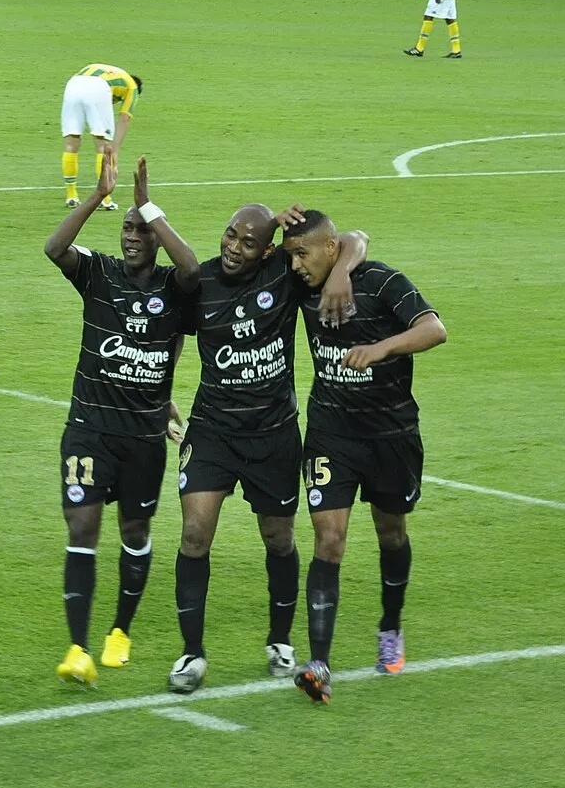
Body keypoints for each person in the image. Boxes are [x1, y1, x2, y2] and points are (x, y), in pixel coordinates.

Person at [167, 204, 366, 696]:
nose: (234, 247)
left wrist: (339, 272)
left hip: (274, 433)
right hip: (213, 430)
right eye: (230, 235)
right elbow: (170, 329)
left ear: (268, 251)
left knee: (279, 540)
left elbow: (356, 238)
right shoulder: (201, 283)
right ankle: (192, 654)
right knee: (195, 534)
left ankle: (279, 641)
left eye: (247, 242)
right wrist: (159, 393)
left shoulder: (286, 273)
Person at [45, 157, 198, 687]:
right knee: (82, 524)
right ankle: (78, 647)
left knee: (135, 528)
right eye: (127, 228)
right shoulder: (98, 272)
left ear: (155, 236)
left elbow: (194, 273)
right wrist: (97, 196)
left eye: (141, 229)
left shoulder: (173, 287)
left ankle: (120, 632)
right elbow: (54, 248)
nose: (132, 237)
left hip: (143, 434)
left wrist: (149, 206)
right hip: (89, 426)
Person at [282, 213, 446, 701]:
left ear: (330, 249)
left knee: (391, 532)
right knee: (328, 540)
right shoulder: (302, 285)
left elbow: (434, 330)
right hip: (331, 435)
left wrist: (382, 349)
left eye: (302, 254)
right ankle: (319, 662)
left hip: (391, 436)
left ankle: (391, 626)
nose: (294, 265)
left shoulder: (381, 281)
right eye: (290, 256)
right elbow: (343, 240)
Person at [60, 63, 141, 208]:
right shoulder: (132, 86)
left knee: (71, 143)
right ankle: (105, 199)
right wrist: (115, 151)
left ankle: (71, 196)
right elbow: (125, 118)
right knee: (103, 146)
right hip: (98, 87)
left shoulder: (113, 72)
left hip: (73, 83)